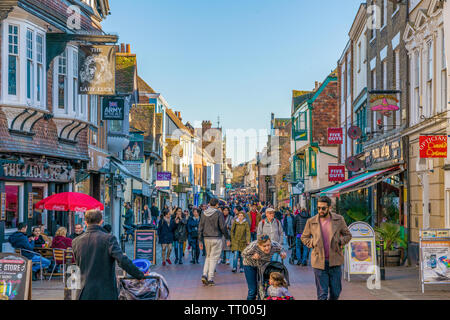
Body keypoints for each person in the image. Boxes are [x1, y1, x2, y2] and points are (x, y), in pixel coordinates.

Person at [72, 209, 144, 300]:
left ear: (85, 223)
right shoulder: (108, 238)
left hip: (84, 291)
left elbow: (78, 263)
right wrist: (139, 274)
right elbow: (122, 260)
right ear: (101, 222)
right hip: (105, 291)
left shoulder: (75, 241)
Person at [301, 196, 352, 300]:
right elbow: (304, 237)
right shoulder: (311, 221)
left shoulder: (339, 219)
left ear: (329, 207)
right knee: (322, 294)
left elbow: (348, 235)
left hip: (335, 261)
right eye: (318, 208)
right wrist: (313, 243)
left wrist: (340, 241)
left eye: (323, 208)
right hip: (319, 262)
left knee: (335, 292)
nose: (320, 210)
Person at [241, 234, 287, 300]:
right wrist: (253, 256)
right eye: (264, 246)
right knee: (253, 289)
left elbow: (281, 248)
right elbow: (243, 254)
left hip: (263, 265)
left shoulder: (274, 245)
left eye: (268, 245)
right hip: (249, 265)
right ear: (259, 246)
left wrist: (282, 253)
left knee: (262, 286)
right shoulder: (253, 246)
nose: (267, 248)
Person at [198, 198, 231, 286]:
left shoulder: (203, 213)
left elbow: (200, 227)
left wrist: (200, 240)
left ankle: (204, 274)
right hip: (216, 237)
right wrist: (227, 238)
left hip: (206, 238)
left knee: (208, 257)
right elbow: (223, 227)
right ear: (216, 204)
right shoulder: (218, 213)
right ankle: (210, 278)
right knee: (213, 258)